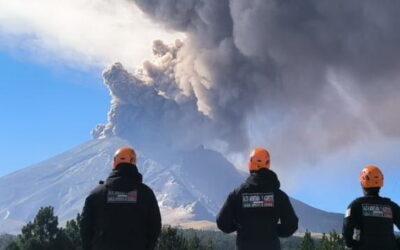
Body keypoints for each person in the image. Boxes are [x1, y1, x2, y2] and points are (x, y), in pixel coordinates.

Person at [216, 147, 298, 250]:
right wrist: (272, 230)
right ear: (268, 164)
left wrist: (240, 227)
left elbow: (222, 222)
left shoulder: (237, 194)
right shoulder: (279, 196)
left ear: (250, 164)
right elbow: (291, 225)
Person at [80, 147, 161, 250]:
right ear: (134, 163)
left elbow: (85, 229)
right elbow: (155, 228)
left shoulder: (95, 194)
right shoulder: (146, 194)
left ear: (114, 164)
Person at [343, 165, 400, 250]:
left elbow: (347, 229)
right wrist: (395, 244)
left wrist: (352, 244)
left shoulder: (355, 205)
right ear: (380, 183)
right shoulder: (392, 206)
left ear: (362, 183)